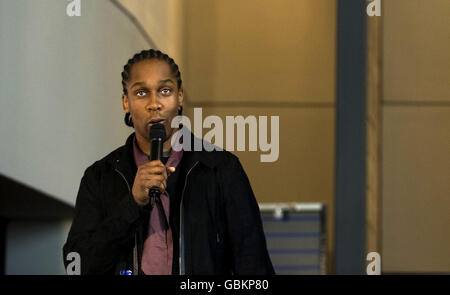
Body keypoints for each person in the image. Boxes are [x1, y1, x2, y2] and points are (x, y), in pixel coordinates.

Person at [63, 49, 274, 275]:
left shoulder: (221, 169)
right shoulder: (100, 176)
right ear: (126, 102)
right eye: (142, 93)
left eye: (165, 90)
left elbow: (254, 267)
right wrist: (132, 204)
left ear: (179, 97)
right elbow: (79, 267)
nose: (154, 103)